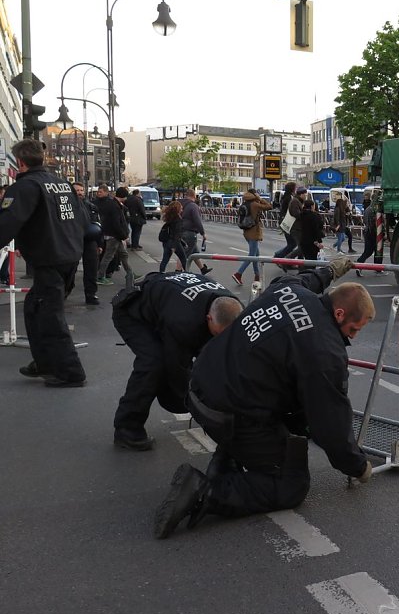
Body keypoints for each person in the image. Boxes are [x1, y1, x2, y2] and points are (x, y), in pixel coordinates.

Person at [153, 265, 375, 539]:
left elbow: (299, 277)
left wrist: (328, 270)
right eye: (354, 329)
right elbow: (330, 422)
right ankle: (205, 492)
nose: (352, 337)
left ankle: (225, 462)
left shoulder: (290, 290)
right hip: (228, 412)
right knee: (291, 484)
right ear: (339, 314)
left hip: (200, 386)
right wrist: (357, 466)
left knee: (285, 406)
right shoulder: (324, 350)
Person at [111, 271, 243, 450]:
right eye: (218, 334)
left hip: (166, 303)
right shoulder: (184, 321)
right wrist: (195, 405)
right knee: (153, 363)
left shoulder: (234, 309)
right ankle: (127, 428)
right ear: (208, 318)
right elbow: (177, 367)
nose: (221, 339)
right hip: (133, 312)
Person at [0, 139, 88, 387]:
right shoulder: (61, 184)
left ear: (20, 161)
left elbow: (8, 223)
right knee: (35, 309)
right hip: (68, 254)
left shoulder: (25, 187)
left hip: (49, 257)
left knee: (49, 315)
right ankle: (46, 362)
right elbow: (78, 218)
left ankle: (70, 372)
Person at [231, 189, 272, 285]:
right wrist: (260, 198)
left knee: (256, 255)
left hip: (246, 231)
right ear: (254, 194)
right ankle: (238, 274)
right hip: (253, 231)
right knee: (252, 256)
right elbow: (269, 206)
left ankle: (257, 276)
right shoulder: (255, 204)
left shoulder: (244, 203)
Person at [72, 181, 103, 305]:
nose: (79, 192)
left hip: (90, 241)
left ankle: (91, 294)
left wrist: (100, 244)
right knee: (70, 268)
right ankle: (65, 291)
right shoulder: (67, 206)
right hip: (72, 241)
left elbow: (98, 225)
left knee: (91, 269)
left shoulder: (91, 206)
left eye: (81, 190)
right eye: (77, 190)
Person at [95, 185, 133, 285]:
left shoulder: (113, 203)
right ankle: (100, 276)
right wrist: (123, 235)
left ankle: (130, 273)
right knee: (108, 256)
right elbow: (116, 223)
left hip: (114, 234)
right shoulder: (115, 206)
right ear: (124, 196)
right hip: (114, 235)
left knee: (123, 254)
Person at [179, 189, 212, 276]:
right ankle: (177, 271)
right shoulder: (193, 206)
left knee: (194, 252)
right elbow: (197, 220)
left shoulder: (179, 204)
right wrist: (203, 233)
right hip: (189, 232)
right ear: (194, 196)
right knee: (184, 254)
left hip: (180, 231)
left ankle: (203, 269)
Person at [354, 190, 386, 277]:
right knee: (376, 250)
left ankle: (361, 264)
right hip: (374, 232)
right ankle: (362, 264)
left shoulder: (368, 209)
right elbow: (376, 223)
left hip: (367, 231)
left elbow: (365, 221)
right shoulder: (375, 210)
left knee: (369, 251)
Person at [158, 201, 187, 273]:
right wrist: (174, 246)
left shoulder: (170, 218)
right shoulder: (178, 220)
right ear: (178, 209)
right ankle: (187, 272)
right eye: (181, 208)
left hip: (166, 241)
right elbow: (177, 234)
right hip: (174, 242)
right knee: (183, 258)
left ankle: (161, 273)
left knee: (165, 259)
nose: (182, 210)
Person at [273, 181, 298, 260]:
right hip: (288, 222)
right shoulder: (290, 198)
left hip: (284, 221)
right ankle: (279, 256)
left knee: (292, 243)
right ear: (292, 189)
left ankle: (284, 258)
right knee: (292, 243)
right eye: (295, 187)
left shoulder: (285, 196)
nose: (296, 189)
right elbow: (290, 210)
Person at [298, 197, 325, 261]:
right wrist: (319, 241)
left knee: (307, 259)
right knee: (312, 260)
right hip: (312, 242)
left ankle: (304, 270)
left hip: (303, 240)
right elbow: (316, 229)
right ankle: (309, 270)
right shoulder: (314, 216)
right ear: (312, 206)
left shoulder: (301, 215)